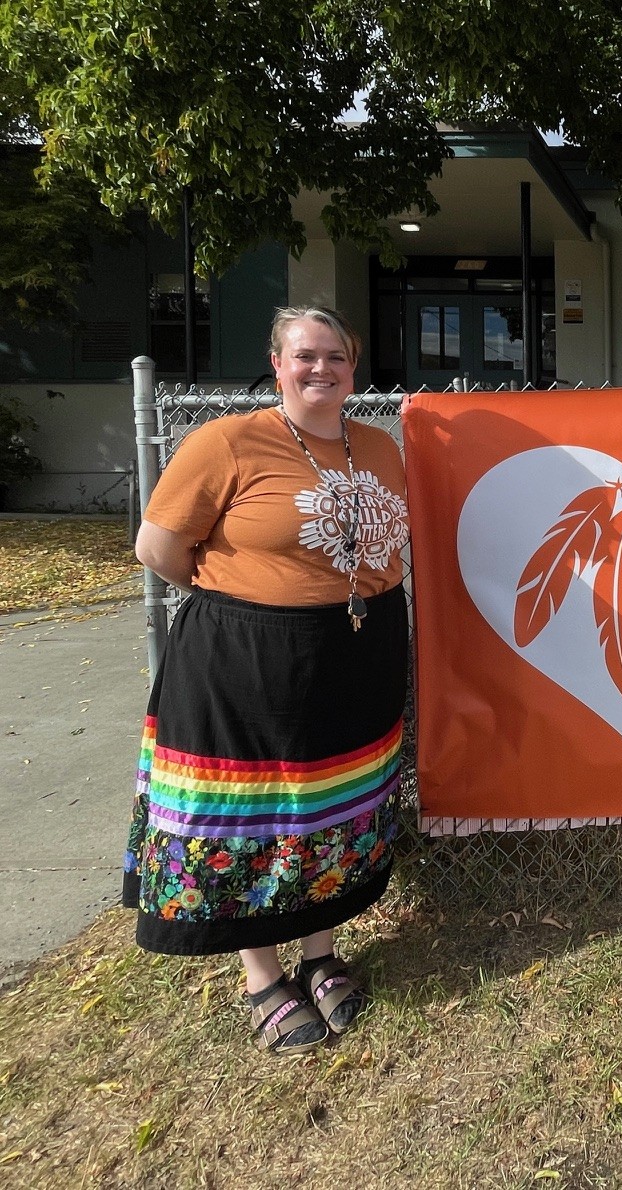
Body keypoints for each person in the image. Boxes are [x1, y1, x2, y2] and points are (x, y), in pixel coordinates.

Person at [124, 306, 410, 1052]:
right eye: (305, 356)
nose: (322, 369)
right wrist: (249, 603)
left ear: (353, 368)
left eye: (337, 357)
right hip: (245, 659)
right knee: (250, 817)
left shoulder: (378, 446)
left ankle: (321, 959)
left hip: (356, 651)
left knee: (326, 812)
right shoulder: (227, 441)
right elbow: (157, 547)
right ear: (277, 364)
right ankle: (263, 980)